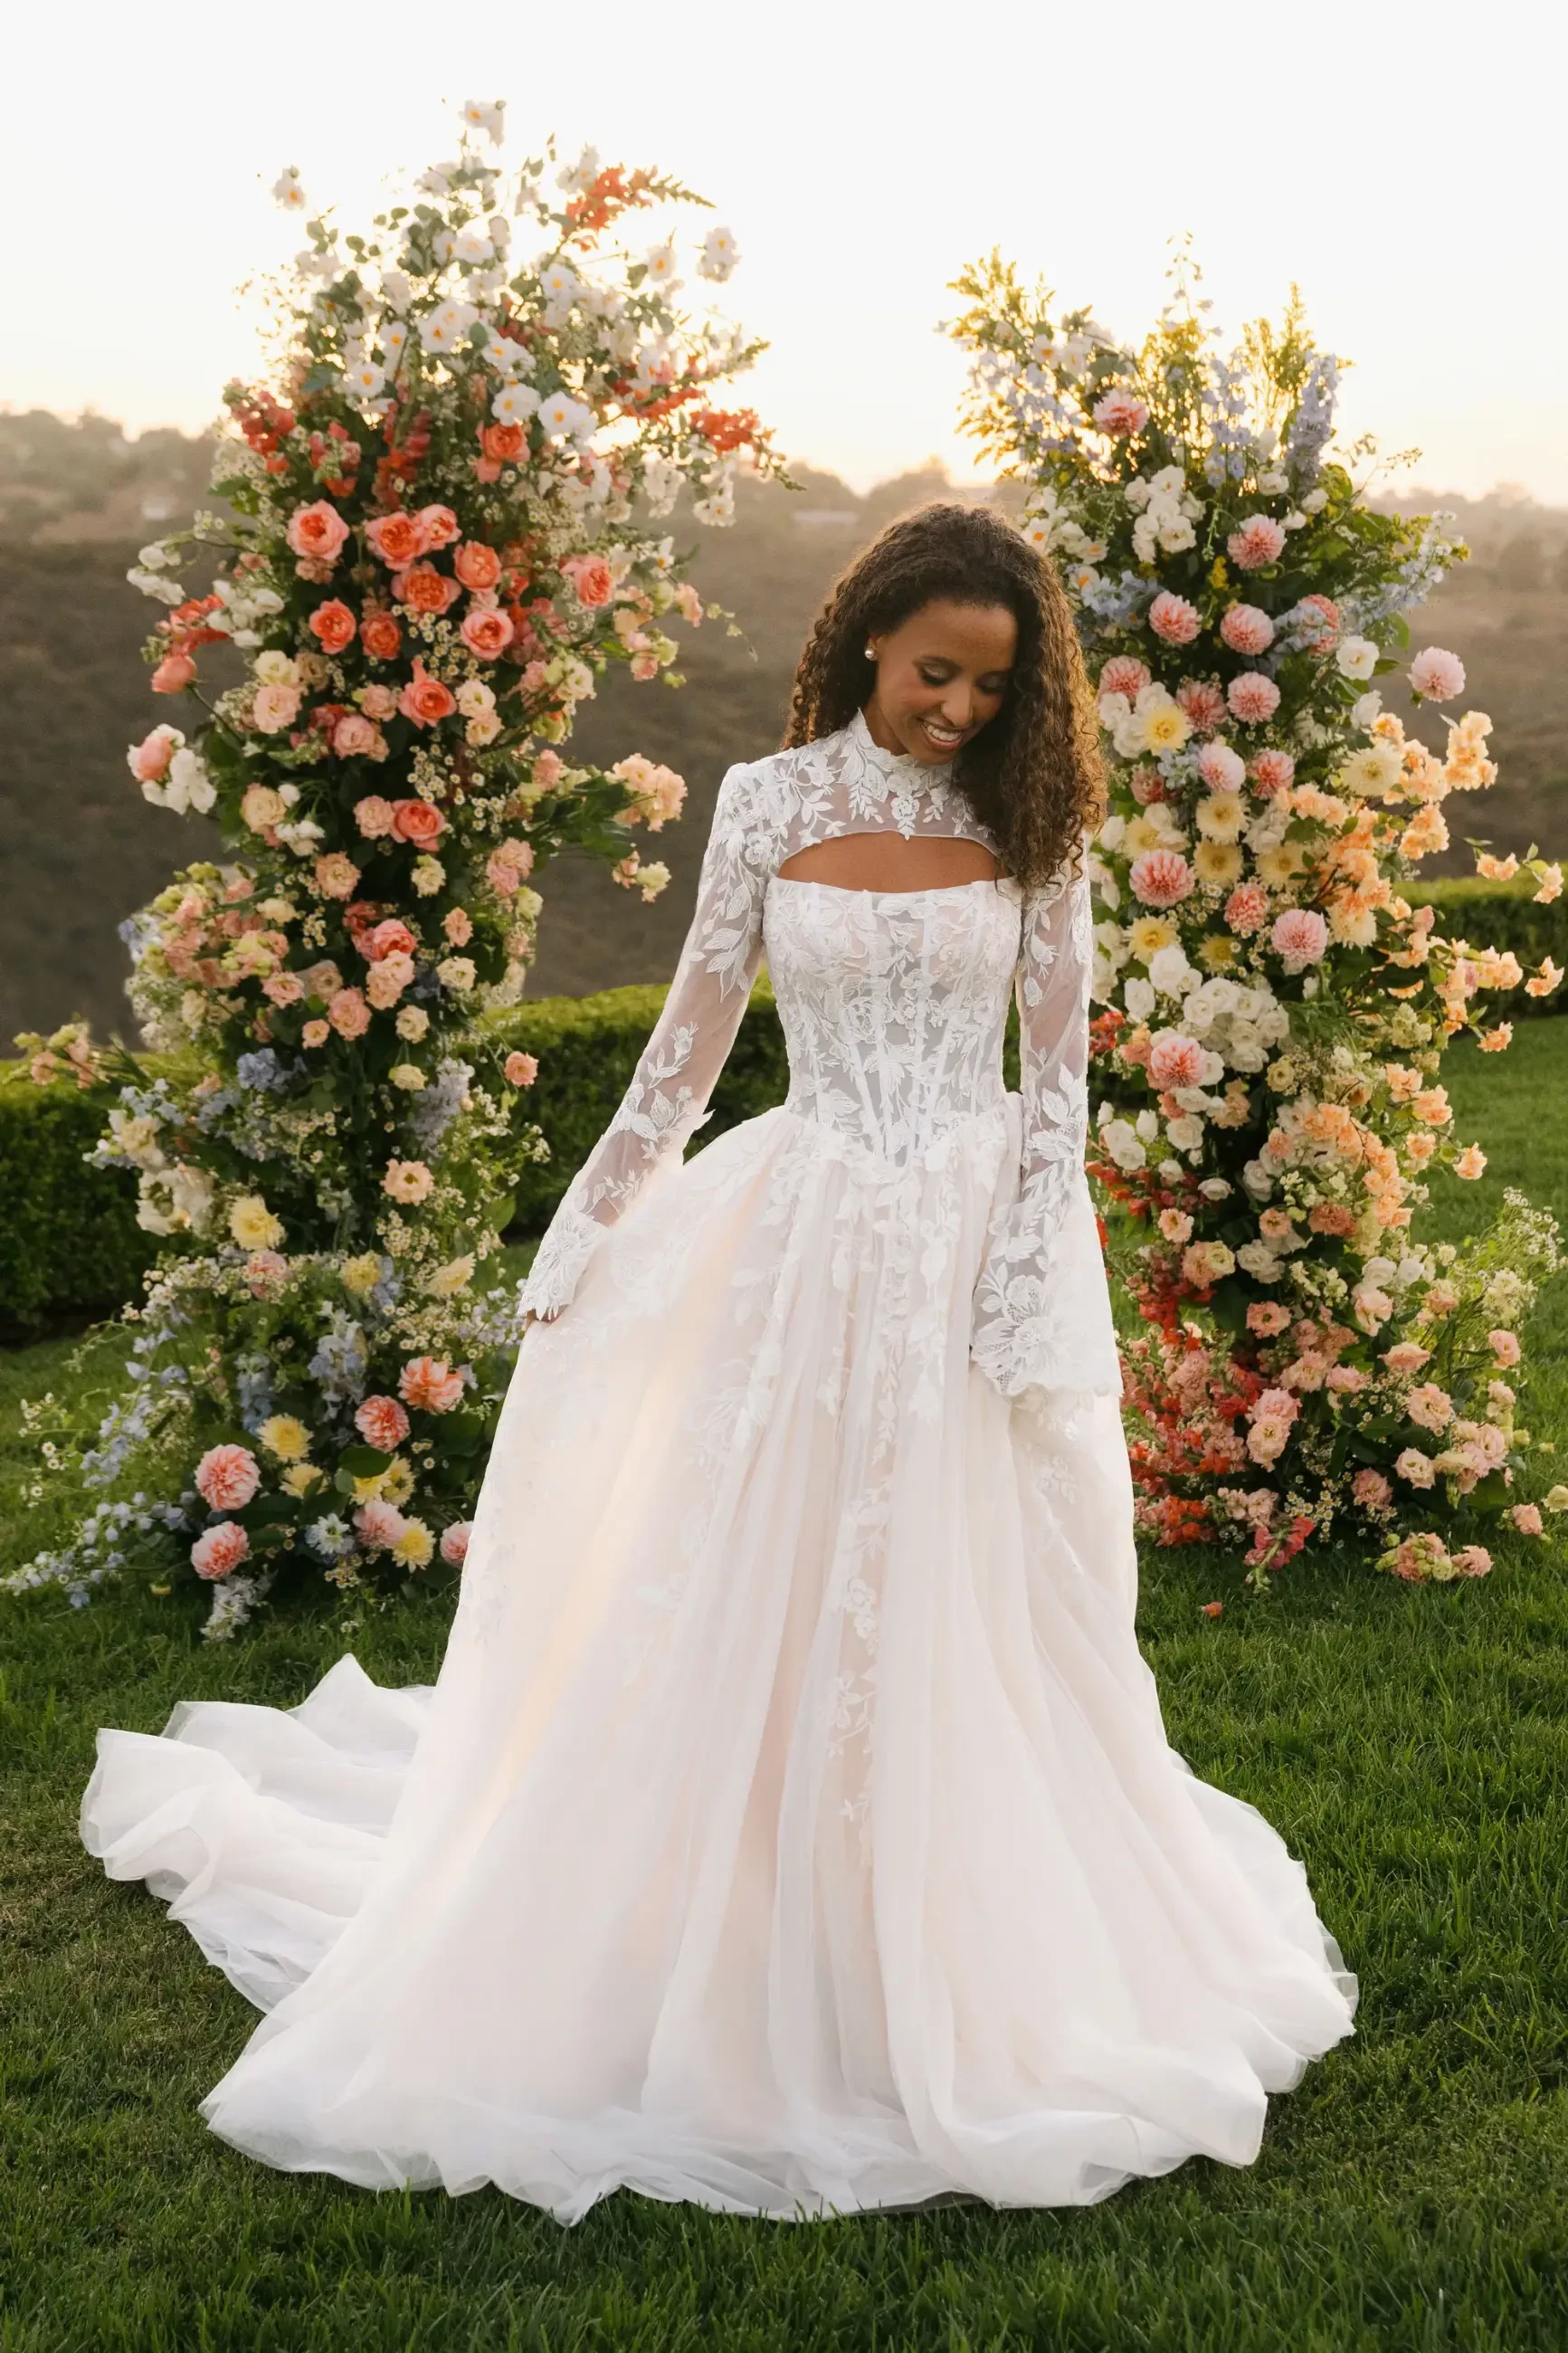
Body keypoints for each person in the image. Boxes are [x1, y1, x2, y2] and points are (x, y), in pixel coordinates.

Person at [81, 502, 1356, 2224]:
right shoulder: (768, 806)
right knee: (771, 1569)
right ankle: (756, 1908)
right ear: (862, 646)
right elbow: (688, 1048)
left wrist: (1026, 1279)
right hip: (806, 1227)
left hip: (972, 1235)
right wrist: (589, 1221)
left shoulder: (1031, 817)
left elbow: (1056, 1084)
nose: (958, 713)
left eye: (991, 685)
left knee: (963, 1590)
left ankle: (954, 1926)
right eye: (932, 675)